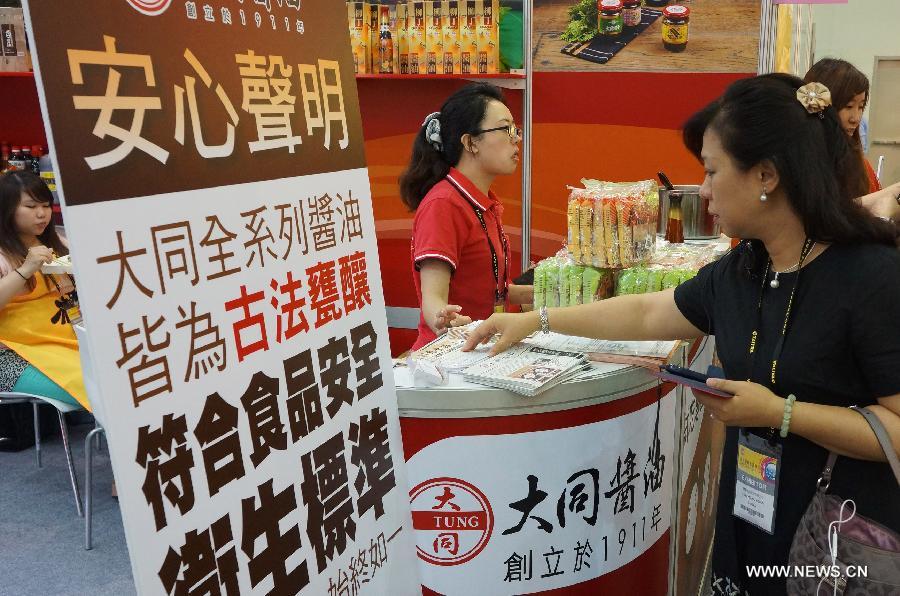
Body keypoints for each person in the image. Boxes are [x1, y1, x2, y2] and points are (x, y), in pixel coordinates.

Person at [463, 74, 900, 595]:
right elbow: (651, 312)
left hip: (833, 537)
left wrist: (781, 413)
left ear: (766, 175)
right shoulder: (745, 269)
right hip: (751, 518)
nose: (706, 191)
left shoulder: (871, 277)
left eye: (712, 172)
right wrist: (537, 320)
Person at [399, 82, 531, 350]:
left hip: (482, 349)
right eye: (505, 129)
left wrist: (566, 293)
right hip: (449, 358)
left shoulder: (483, 201)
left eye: (515, 129)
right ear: (470, 142)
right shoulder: (444, 204)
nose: (516, 138)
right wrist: (443, 318)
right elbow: (433, 299)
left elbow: (497, 290)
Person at [0, 171, 87, 415]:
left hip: (67, 342)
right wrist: (26, 269)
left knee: (126, 373)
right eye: (30, 206)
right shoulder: (4, 255)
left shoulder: (57, 244)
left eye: (46, 206)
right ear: (7, 209)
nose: (42, 214)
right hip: (12, 357)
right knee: (96, 385)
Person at [804, 58, 881, 193]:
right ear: (819, 106)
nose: (856, 118)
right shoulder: (798, 162)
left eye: (861, 106)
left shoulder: (860, 164)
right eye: (848, 106)